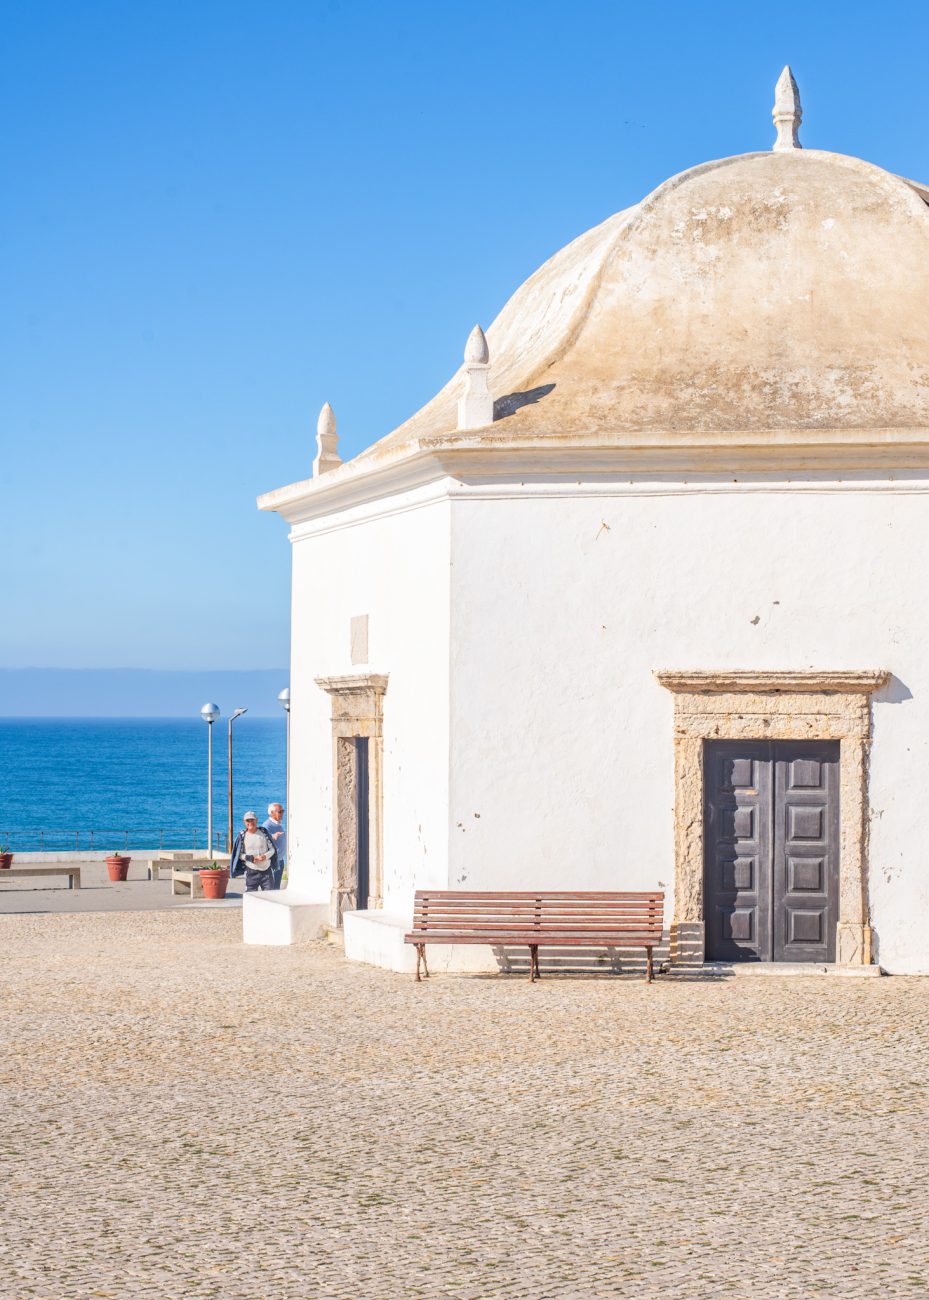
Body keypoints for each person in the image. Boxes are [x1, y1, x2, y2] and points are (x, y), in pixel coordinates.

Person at [230, 811, 278, 891]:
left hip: (267, 872)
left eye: (252, 820)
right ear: (244, 822)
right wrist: (250, 858)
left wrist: (265, 856)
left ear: (256, 820)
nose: (250, 822)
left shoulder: (264, 833)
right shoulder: (242, 836)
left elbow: (272, 849)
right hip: (251, 872)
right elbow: (239, 854)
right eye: (247, 820)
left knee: (269, 898)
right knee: (251, 898)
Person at [263, 803, 286, 888]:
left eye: (282, 811)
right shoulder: (267, 825)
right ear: (272, 813)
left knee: (276, 887)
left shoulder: (277, 823)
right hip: (273, 862)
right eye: (280, 812)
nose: (282, 814)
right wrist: (273, 836)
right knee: (271, 888)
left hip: (280, 860)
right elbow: (263, 838)